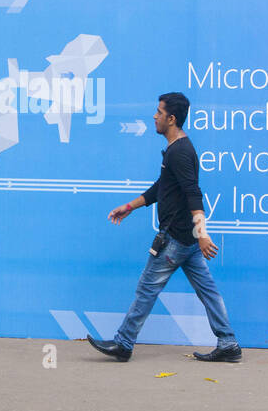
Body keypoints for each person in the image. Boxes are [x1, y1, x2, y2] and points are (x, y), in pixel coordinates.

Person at [87, 92, 242, 363]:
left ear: (171, 119)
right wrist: (130, 206)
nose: (154, 116)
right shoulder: (175, 150)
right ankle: (228, 342)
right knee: (208, 291)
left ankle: (124, 343)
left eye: (159, 112)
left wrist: (202, 233)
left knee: (146, 289)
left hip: (176, 240)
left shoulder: (180, 152)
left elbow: (193, 194)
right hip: (187, 241)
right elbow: (163, 187)